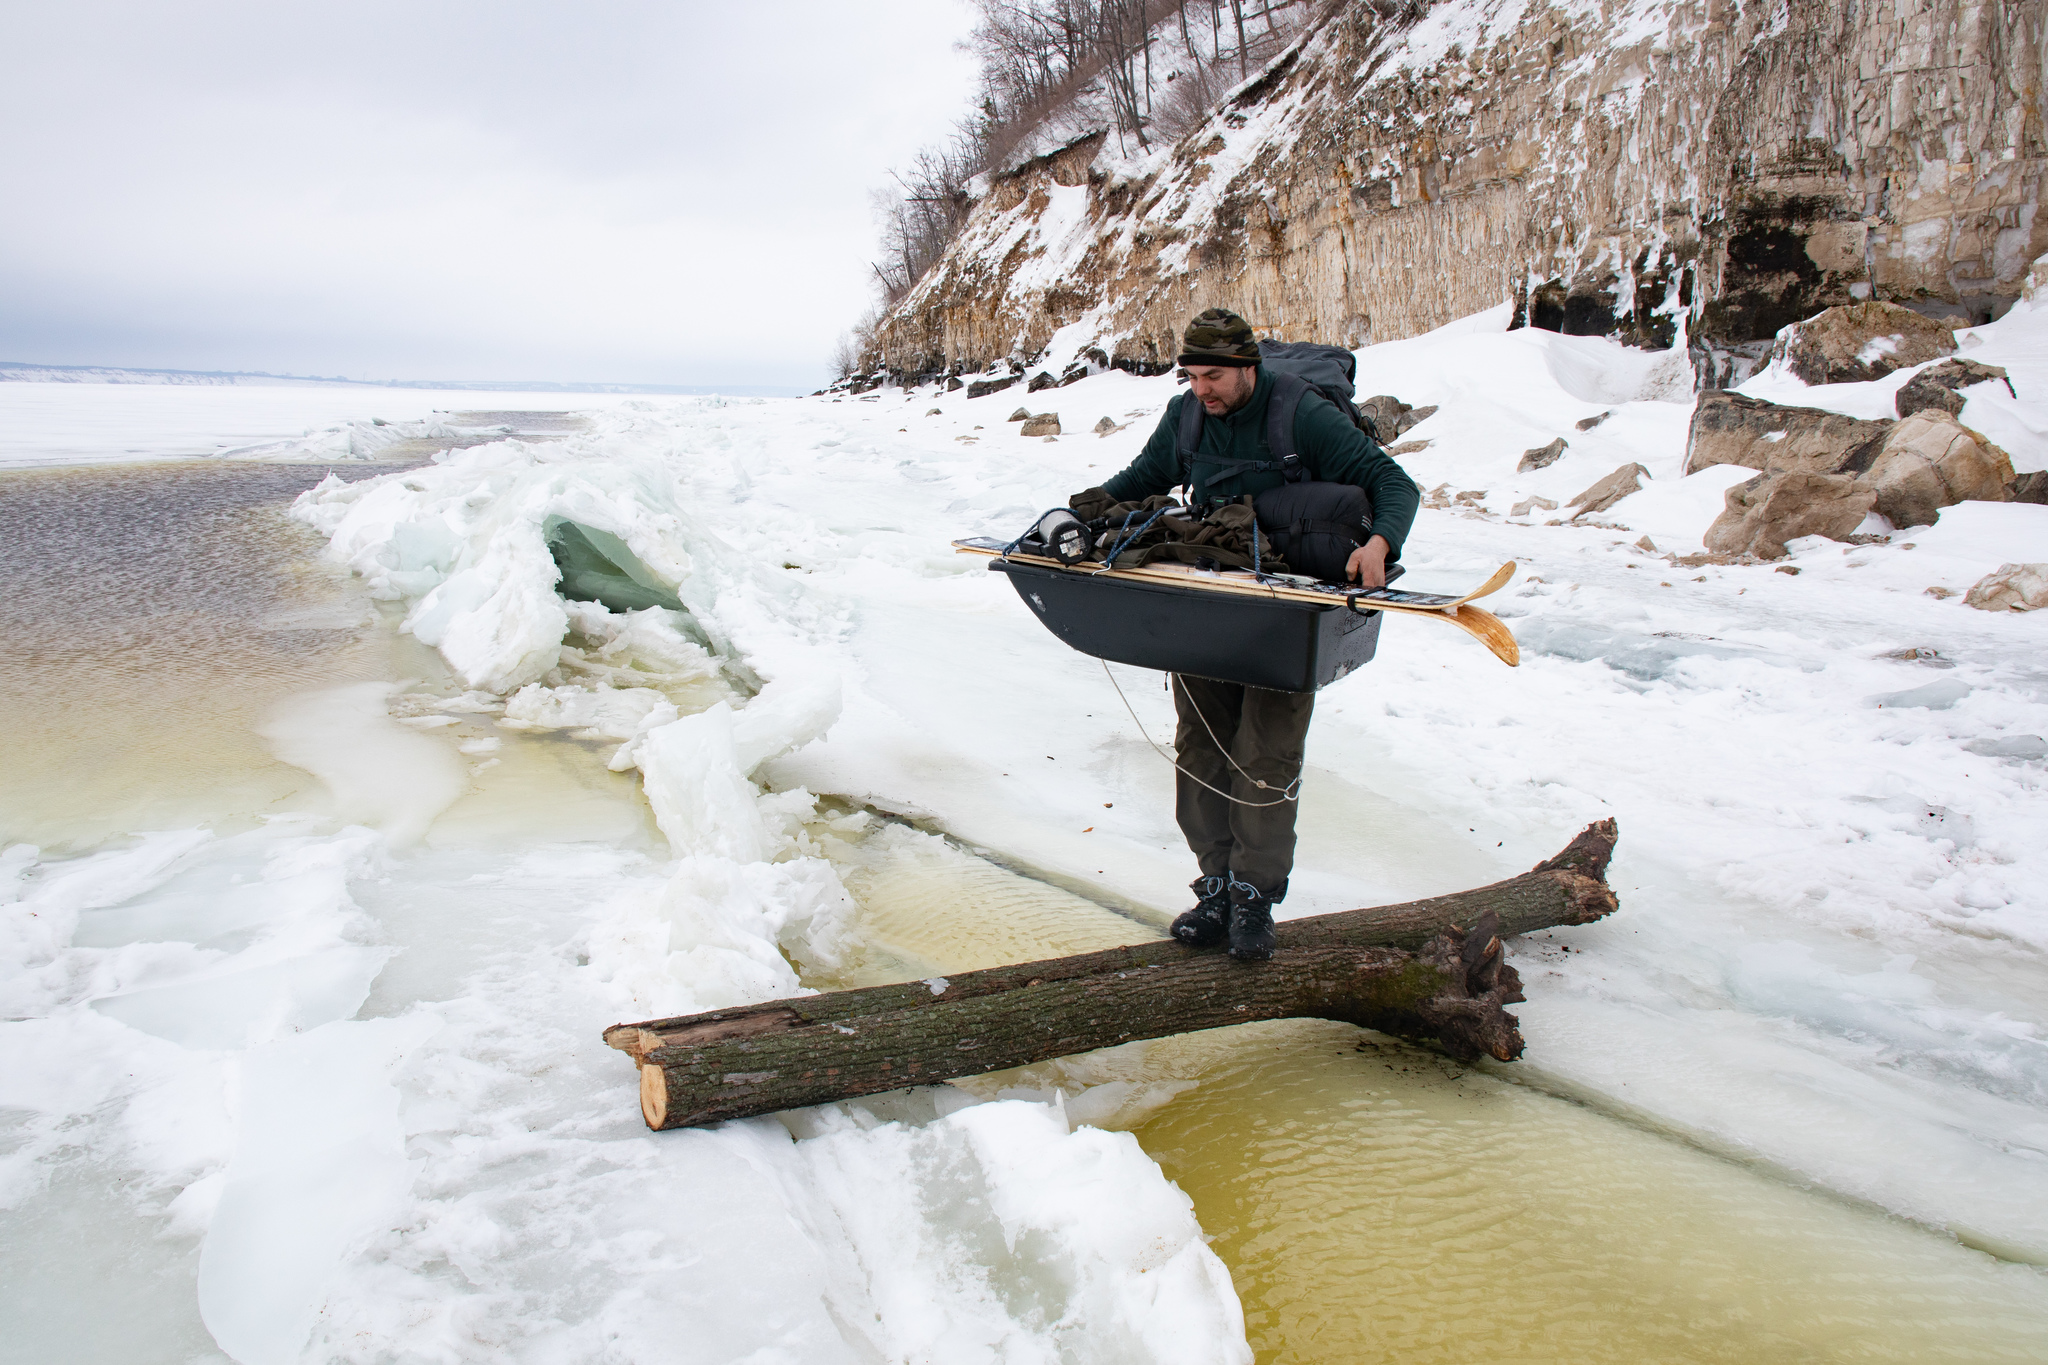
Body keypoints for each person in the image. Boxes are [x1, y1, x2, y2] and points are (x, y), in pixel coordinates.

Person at [1083, 307, 1419, 960]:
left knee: (1265, 752)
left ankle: (1253, 898)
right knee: (1201, 744)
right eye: (1192, 375)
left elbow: (1393, 483)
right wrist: (1077, 515)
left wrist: (1380, 541)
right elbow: (1139, 481)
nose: (1201, 389)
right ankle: (1214, 886)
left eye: (1213, 376)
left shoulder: (1299, 414)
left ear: (1246, 367)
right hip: (1209, 600)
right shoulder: (1185, 416)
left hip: (1285, 616)